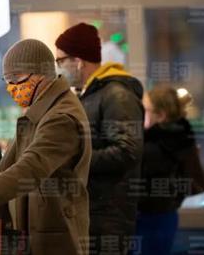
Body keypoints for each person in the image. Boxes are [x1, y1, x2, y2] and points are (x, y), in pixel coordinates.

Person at [0, 39, 92, 254]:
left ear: (40, 74)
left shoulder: (61, 118)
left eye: (15, 79)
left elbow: (31, 167)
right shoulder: (39, 112)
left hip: (57, 240)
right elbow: (9, 167)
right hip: (37, 235)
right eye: (7, 80)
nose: (11, 88)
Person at [55, 23, 144, 254]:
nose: (58, 68)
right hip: (93, 214)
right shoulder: (91, 94)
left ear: (79, 61)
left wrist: (76, 160)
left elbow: (128, 150)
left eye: (60, 61)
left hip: (108, 219)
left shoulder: (116, 94)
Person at [135, 86, 204, 255]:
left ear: (161, 115)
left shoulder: (155, 145)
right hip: (166, 215)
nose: (140, 115)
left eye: (145, 110)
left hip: (151, 217)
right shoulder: (180, 136)